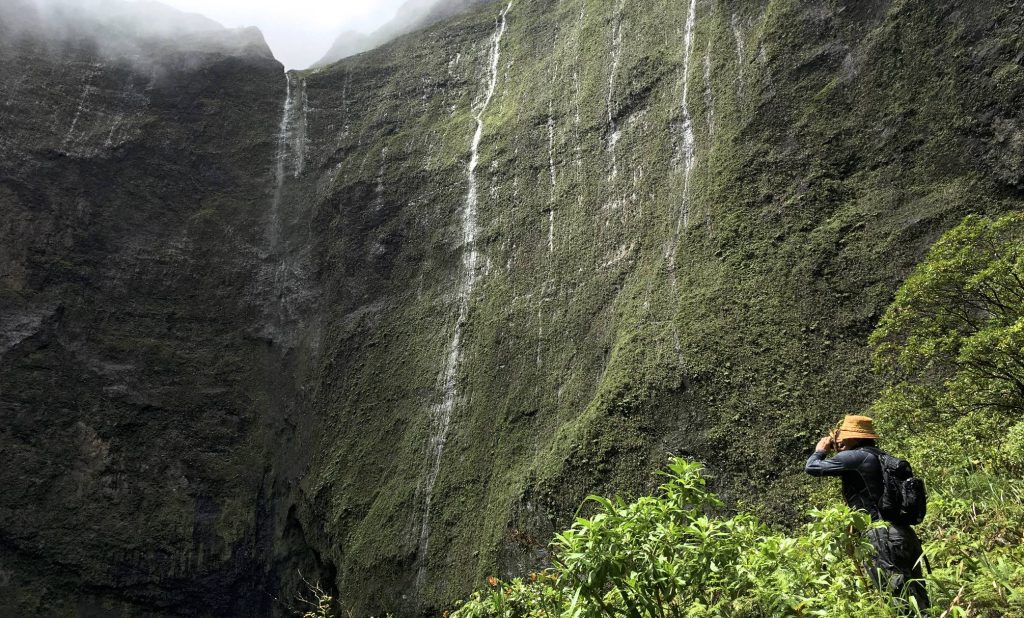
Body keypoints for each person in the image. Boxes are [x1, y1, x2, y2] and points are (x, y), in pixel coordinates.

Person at [805, 415, 929, 611]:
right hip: (904, 534)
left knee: (899, 602)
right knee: (920, 601)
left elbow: (812, 467)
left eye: (844, 437)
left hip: (882, 537)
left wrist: (820, 451)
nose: (840, 441)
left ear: (855, 437)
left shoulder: (855, 457)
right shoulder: (880, 457)